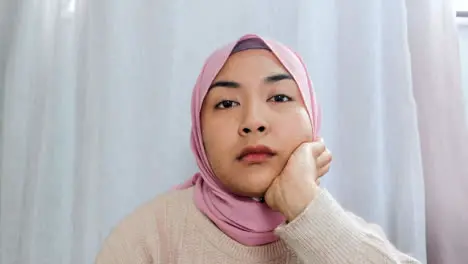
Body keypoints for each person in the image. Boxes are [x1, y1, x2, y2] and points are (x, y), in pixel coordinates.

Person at [95, 34, 421, 264]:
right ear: (198, 130)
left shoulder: (346, 235)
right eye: (226, 103)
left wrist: (308, 208)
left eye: (279, 97)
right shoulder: (148, 239)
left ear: (313, 119)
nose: (253, 122)